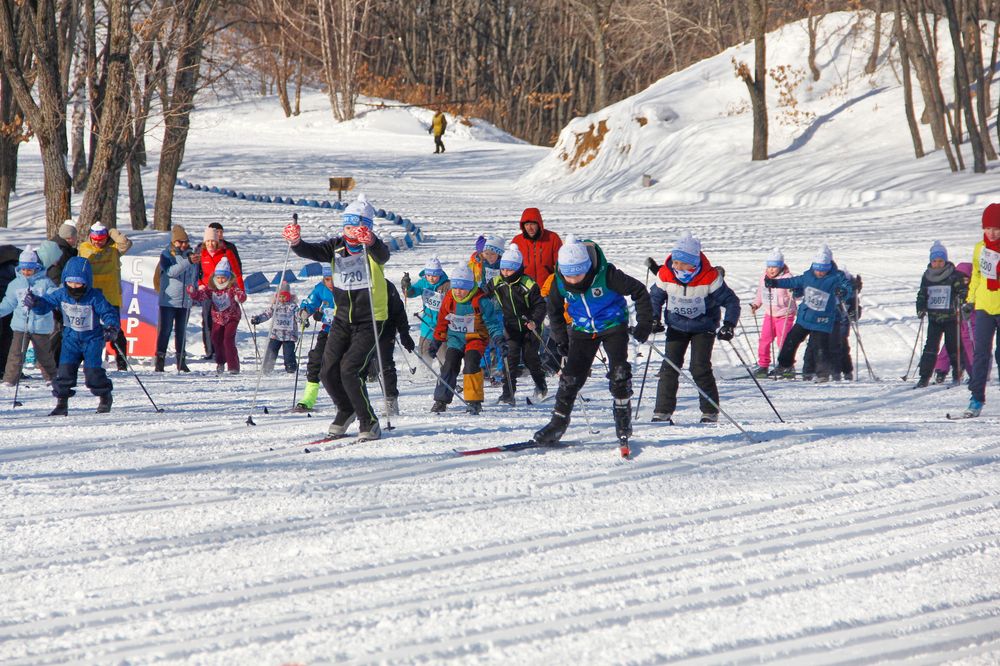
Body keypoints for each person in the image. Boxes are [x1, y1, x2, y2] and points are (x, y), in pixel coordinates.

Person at [283, 193, 390, 441]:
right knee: (327, 370)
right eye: (348, 226)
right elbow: (310, 251)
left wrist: (371, 241)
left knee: (350, 369)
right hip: (342, 318)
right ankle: (346, 409)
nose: (351, 232)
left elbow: (383, 255)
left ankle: (369, 420)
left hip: (370, 318)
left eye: (357, 226)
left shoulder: (371, 248)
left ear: (367, 227)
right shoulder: (336, 247)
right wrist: (297, 242)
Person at [533, 235, 652, 450]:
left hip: (613, 325)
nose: (572, 280)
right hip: (582, 330)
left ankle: (623, 418)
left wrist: (645, 323)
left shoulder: (607, 275)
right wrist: (561, 338)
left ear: (587, 266)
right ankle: (558, 423)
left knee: (619, 373)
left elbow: (639, 292)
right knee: (570, 378)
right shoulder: (559, 281)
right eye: (568, 275)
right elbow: (554, 310)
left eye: (577, 274)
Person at [648, 232, 740, 424]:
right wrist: (653, 318)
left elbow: (731, 301)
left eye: (682, 263)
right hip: (676, 326)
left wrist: (729, 325)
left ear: (693, 263)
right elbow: (655, 298)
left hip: (703, 327)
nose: (676, 266)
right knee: (669, 367)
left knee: (699, 367)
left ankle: (710, 412)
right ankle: (662, 412)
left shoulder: (710, 277)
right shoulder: (665, 274)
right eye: (675, 262)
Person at [23, 256, 120, 415]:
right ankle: (62, 403)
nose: (74, 287)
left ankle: (104, 395)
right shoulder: (61, 294)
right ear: (64, 280)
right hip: (71, 340)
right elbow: (45, 305)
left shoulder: (95, 296)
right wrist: (35, 302)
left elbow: (109, 312)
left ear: (87, 281)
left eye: (78, 283)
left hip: (92, 340)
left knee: (93, 374)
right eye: (70, 282)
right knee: (64, 373)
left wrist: (112, 327)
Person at [766, 244, 854, 382]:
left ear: (829, 266)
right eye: (817, 268)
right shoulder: (808, 275)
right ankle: (784, 365)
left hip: (822, 321)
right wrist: (775, 283)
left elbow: (848, 288)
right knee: (791, 340)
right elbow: (793, 281)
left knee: (820, 348)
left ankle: (822, 374)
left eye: (824, 269)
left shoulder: (836, 276)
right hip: (805, 317)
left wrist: (843, 292)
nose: (820, 272)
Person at [430, 264, 503, 415]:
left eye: (462, 288)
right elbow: (442, 321)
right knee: (449, 364)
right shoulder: (450, 298)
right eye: (456, 287)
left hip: (475, 339)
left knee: (470, 364)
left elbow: (492, 323)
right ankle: (441, 400)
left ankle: (474, 401)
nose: (458, 291)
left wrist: (498, 338)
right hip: (455, 338)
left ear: (470, 287)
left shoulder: (481, 300)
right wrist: (436, 341)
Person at [487, 242, 547, 405]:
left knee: (530, 358)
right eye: (504, 269)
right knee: (510, 359)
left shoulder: (527, 284)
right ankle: (508, 393)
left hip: (529, 327)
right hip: (511, 327)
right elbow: (482, 294)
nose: (506, 273)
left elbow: (541, 305)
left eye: (510, 269)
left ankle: (541, 386)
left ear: (519, 268)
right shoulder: (497, 282)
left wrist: (535, 321)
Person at [961, 204, 1000, 417]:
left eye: (996, 228)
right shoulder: (979, 249)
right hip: (985, 306)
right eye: (987, 228)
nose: (991, 233)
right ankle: (976, 399)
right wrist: (970, 300)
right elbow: (977, 275)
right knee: (980, 354)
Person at [77, 222, 132, 370]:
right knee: (88, 330)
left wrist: (113, 231)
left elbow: (126, 244)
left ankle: (121, 362)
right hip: (91, 296)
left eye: (101, 239)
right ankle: (88, 361)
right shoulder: (84, 248)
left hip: (110, 296)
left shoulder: (114, 248)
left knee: (115, 330)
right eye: (95, 239)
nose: (97, 242)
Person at [0, 246, 58, 386]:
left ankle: (52, 377)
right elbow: (9, 303)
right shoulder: (15, 284)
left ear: (36, 268)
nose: (26, 272)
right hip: (21, 326)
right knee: (16, 354)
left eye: (30, 269)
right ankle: (10, 379)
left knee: (44, 354)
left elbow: (53, 297)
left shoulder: (44, 283)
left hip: (40, 325)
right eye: (24, 269)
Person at [913, 241, 968, 387]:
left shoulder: (954, 275)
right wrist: (920, 307)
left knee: (953, 346)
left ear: (945, 260)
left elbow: (963, 290)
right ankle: (924, 376)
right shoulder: (927, 276)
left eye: (940, 261)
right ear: (931, 261)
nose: (938, 264)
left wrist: (961, 299)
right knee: (930, 347)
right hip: (934, 318)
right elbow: (922, 294)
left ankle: (957, 372)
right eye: (935, 261)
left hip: (951, 317)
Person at [188, 257, 246, 374]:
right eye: (218, 277)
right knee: (216, 339)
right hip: (218, 318)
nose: (220, 280)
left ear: (228, 277)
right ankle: (220, 362)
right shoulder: (211, 288)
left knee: (228, 340)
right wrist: (193, 293)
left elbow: (241, 295)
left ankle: (233, 366)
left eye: (223, 277)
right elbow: (201, 296)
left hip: (232, 317)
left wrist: (240, 297)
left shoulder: (232, 287)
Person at [365, 280, 415, 416]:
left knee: (385, 362)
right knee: (356, 365)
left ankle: (391, 401)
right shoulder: (354, 284)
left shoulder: (386, 285)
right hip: (363, 329)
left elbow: (398, 311)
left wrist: (404, 333)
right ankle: (358, 404)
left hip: (386, 327)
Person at [156, 224, 199, 372]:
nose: (183, 245)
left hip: (185, 301)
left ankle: (181, 361)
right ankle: (160, 361)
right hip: (169, 301)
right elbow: (171, 272)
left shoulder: (191, 255)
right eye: (179, 242)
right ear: (174, 242)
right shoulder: (166, 255)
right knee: (165, 330)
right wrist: (188, 262)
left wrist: (195, 292)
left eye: (185, 242)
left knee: (181, 332)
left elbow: (193, 276)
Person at [197, 226, 244, 360]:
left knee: (224, 320)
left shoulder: (226, 253)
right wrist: (200, 285)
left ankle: (223, 350)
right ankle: (210, 350)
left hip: (224, 291)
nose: (210, 244)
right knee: (207, 320)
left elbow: (237, 272)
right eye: (208, 241)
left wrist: (240, 291)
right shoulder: (202, 254)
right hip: (208, 290)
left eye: (213, 241)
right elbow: (198, 272)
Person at [294, 266, 336, 412]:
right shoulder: (321, 289)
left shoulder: (347, 289)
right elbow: (310, 302)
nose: (330, 283)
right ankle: (308, 398)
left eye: (333, 279)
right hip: (327, 331)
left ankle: (347, 397)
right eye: (327, 279)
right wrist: (305, 311)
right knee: (315, 360)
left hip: (347, 331)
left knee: (341, 365)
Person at [749, 248, 795, 377]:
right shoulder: (764, 278)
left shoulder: (787, 278)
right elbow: (761, 294)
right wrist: (756, 304)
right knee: (764, 340)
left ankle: (787, 366)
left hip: (785, 315)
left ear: (780, 267)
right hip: (769, 315)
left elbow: (796, 295)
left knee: (783, 341)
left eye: (774, 267)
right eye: (769, 266)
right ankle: (763, 365)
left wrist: (793, 291)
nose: (771, 269)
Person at [401, 257, 450, 368]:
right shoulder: (423, 283)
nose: (431, 278)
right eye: (429, 275)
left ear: (440, 274)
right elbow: (411, 293)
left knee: (443, 351)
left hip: (443, 323)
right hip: (427, 321)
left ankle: (446, 372)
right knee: (424, 348)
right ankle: (424, 369)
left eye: (434, 276)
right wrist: (406, 286)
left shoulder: (447, 285)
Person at [45, 221, 79, 363]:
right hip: (56, 295)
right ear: (70, 237)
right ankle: (52, 361)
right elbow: (55, 275)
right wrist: (61, 295)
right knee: (57, 329)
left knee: (59, 328)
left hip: (55, 293)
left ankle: (55, 360)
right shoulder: (61, 251)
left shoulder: (59, 247)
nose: (77, 239)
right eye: (76, 236)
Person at [935, 262, 974, 382]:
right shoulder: (953, 288)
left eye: (966, 278)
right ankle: (941, 369)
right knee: (949, 345)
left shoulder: (972, 290)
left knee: (969, 346)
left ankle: (974, 371)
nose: (963, 281)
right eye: (960, 278)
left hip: (968, 323)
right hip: (954, 321)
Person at [250, 282, 300, 374]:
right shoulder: (275, 306)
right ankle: (267, 367)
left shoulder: (293, 307)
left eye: (284, 296)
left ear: (289, 296)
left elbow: (298, 316)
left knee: (288, 353)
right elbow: (267, 314)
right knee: (271, 350)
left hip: (289, 336)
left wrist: (303, 320)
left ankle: (291, 367)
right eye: (280, 296)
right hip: (275, 334)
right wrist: (258, 319)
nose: (282, 299)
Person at [511, 207, 562, 286]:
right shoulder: (517, 241)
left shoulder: (552, 238)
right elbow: (511, 267)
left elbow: (560, 265)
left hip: (548, 287)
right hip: (524, 288)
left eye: (533, 224)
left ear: (539, 224)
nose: (529, 228)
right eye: (526, 224)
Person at [0, 243, 21, 374]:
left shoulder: (12, 256)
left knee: (7, 335)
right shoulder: (13, 256)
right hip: (8, 300)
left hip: (7, 300)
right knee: (8, 335)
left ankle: (4, 367)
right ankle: (4, 367)